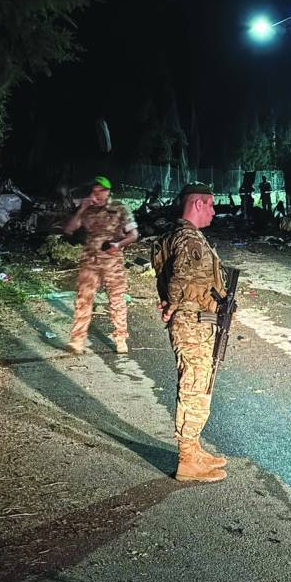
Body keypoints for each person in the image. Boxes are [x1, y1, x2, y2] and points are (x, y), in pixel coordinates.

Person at [152, 182, 229, 483]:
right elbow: (180, 279)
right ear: (198, 204)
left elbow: (167, 274)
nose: (213, 211)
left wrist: (170, 303)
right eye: (210, 204)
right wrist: (172, 304)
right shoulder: (189, 239)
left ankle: (194, 448)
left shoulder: (173, 236)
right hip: (194, 322)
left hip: (194, 320)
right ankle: (187, 458)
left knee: (197, 381)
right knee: (195, 384)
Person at [64, 176, 138, 354]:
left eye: (101, 191)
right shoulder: (87, 209)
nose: (97, 194)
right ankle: (77, 340)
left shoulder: (119, 208)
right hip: (90, 261)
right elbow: (69, 229)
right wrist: (81, 209)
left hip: (112, 262)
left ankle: (120, 339)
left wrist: (118, 245)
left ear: (108, 192)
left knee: (117, 300)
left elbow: (134, 234)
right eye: (94, 190)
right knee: (84, 299)